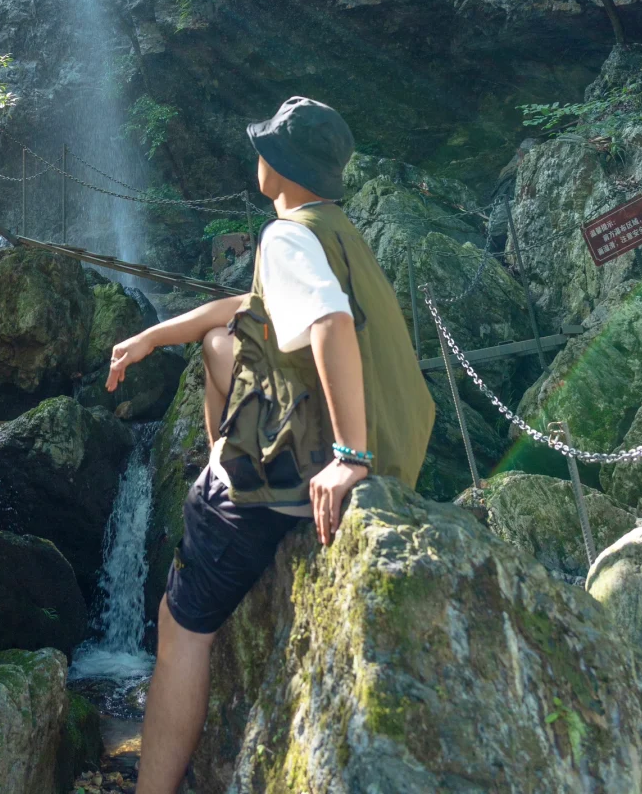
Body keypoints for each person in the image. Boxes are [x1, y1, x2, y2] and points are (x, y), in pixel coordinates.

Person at [105, 96, 436, 794]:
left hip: (295, 469)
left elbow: (329, 324)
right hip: (396, 447)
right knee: (219, 344)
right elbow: (244, 312)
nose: (256, 157)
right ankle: (223, 465)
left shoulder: (285, 238)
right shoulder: (331, 230)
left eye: (264, 148)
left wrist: (350, 456)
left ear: (279, 166)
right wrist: (152, 335)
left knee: (181, 619)